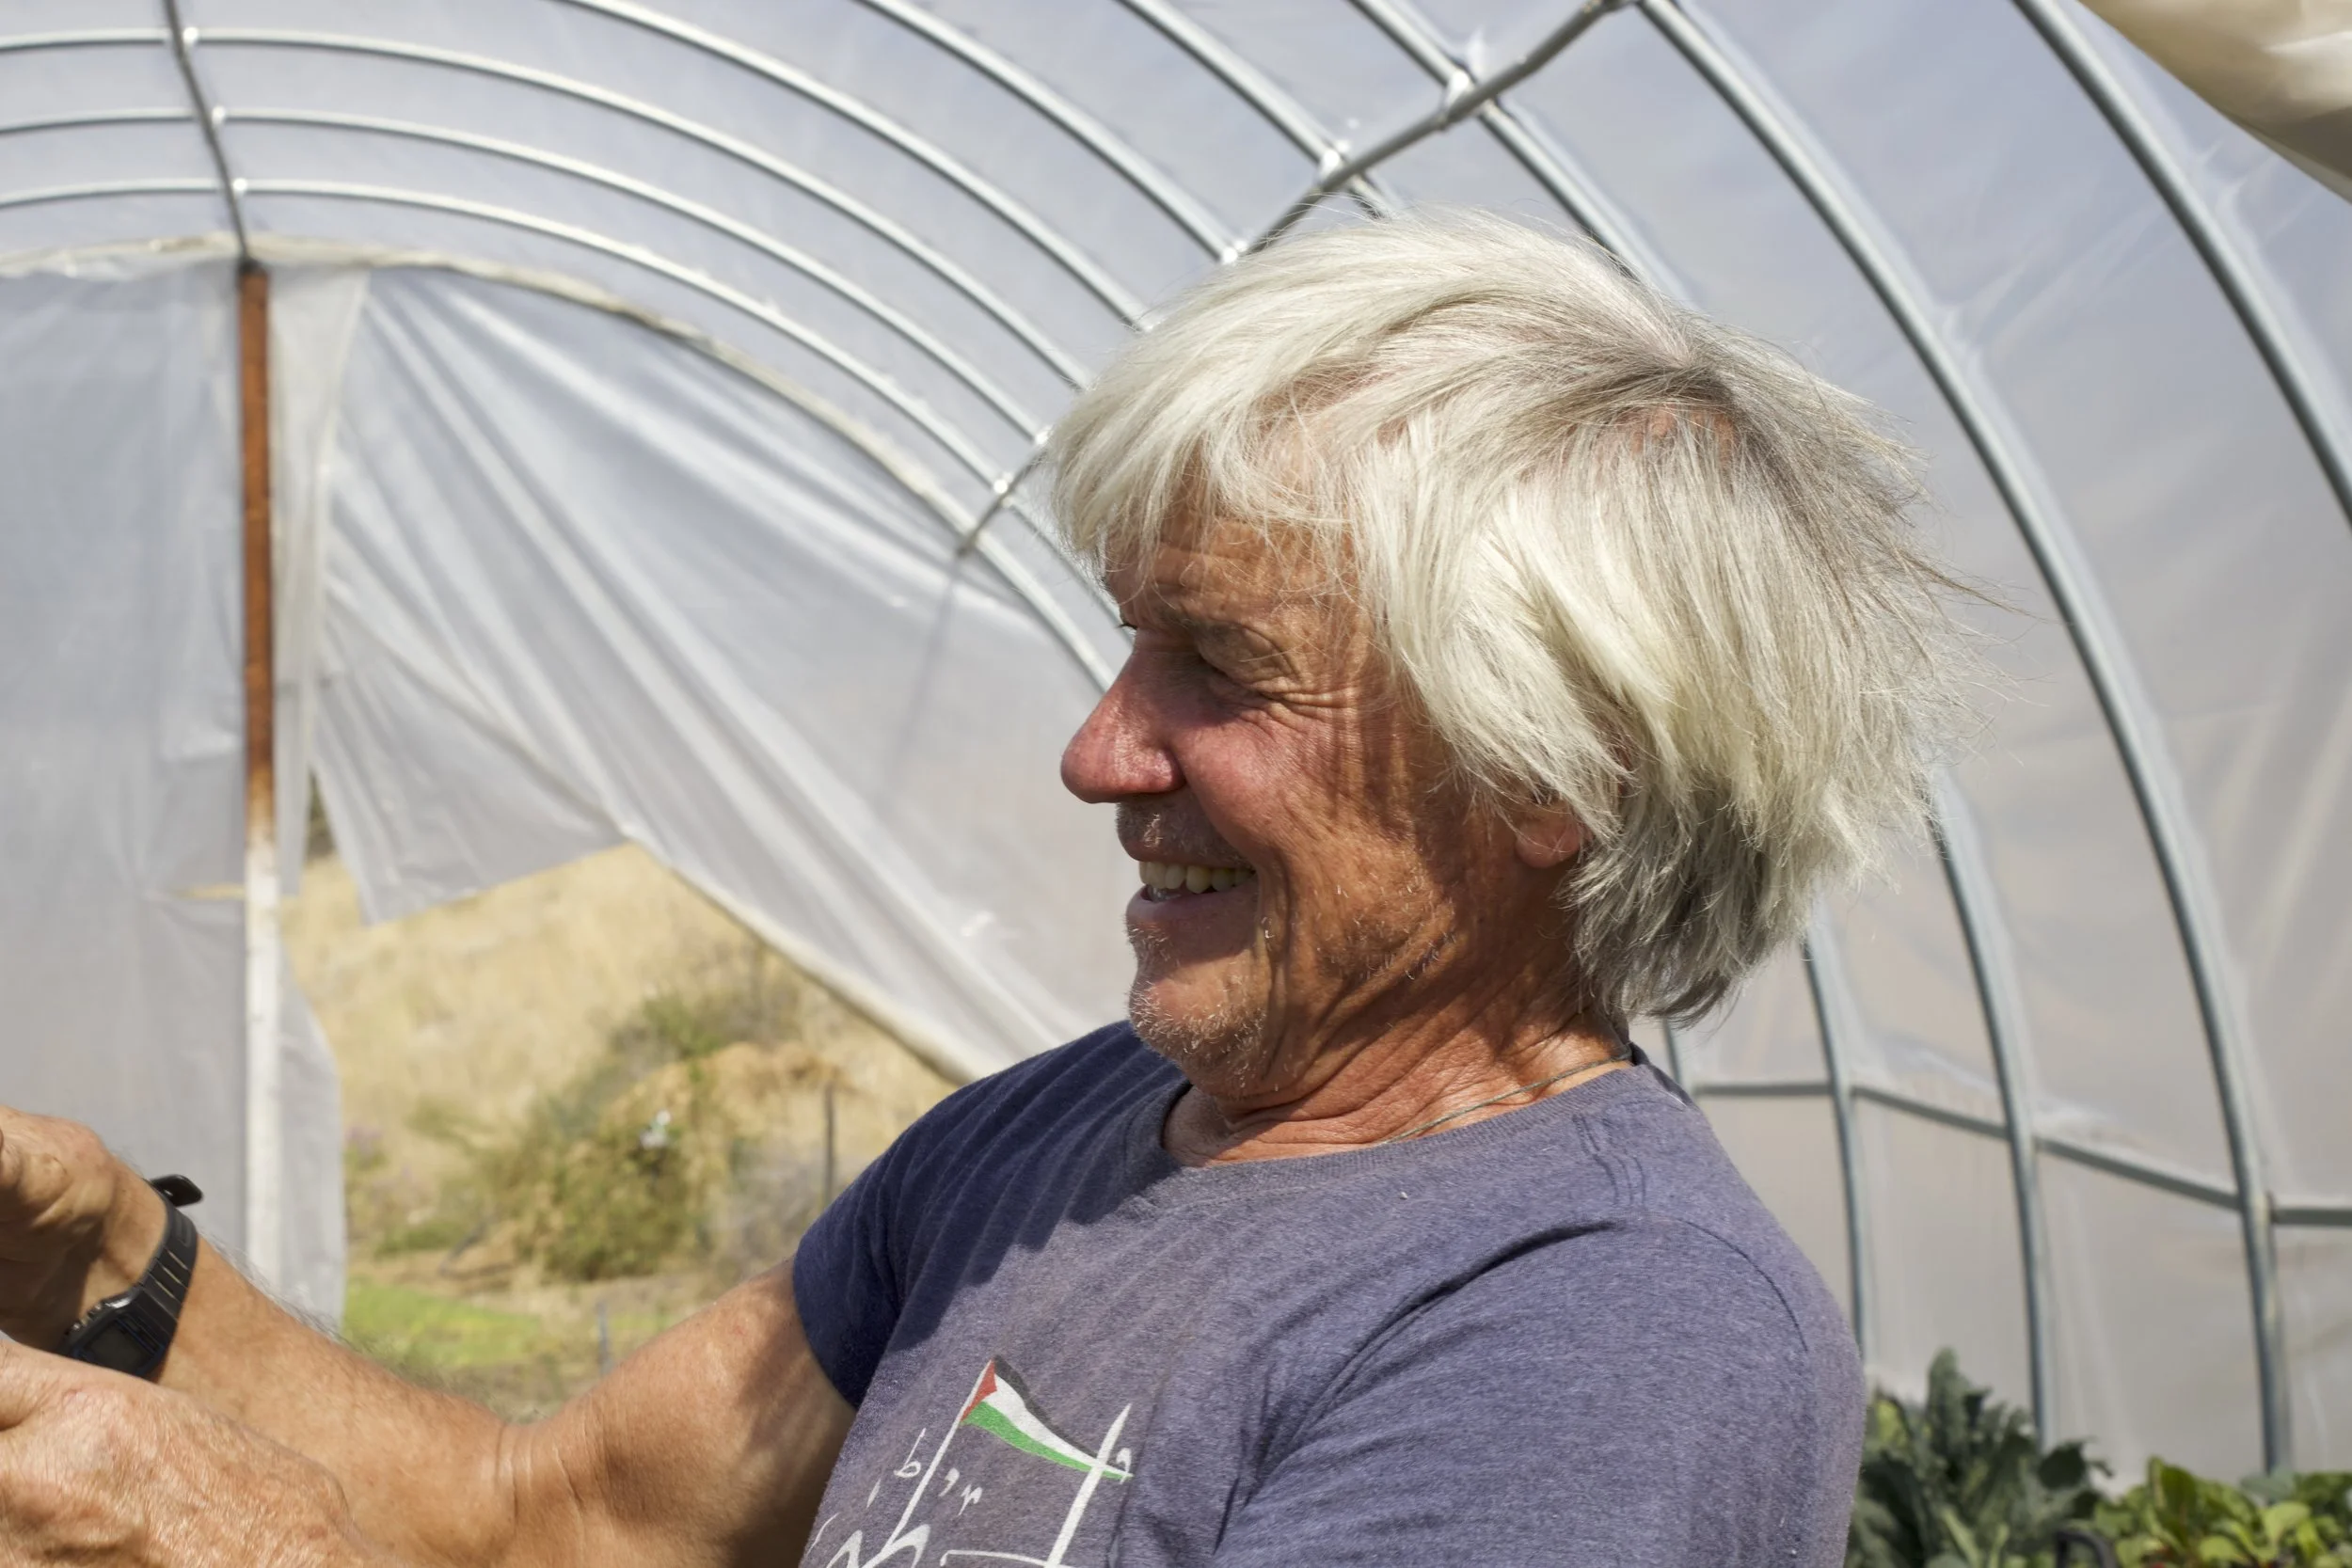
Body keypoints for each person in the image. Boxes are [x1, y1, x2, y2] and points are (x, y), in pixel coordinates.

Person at [0, 214, 1973, 1567]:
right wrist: (105, 1259)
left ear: (1558, 771)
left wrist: (274, 1547)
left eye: (1220, 666)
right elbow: (573, 1516)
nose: (1100, 751)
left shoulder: (1605, 1332)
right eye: (1129, 647)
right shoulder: (1059, 1141)